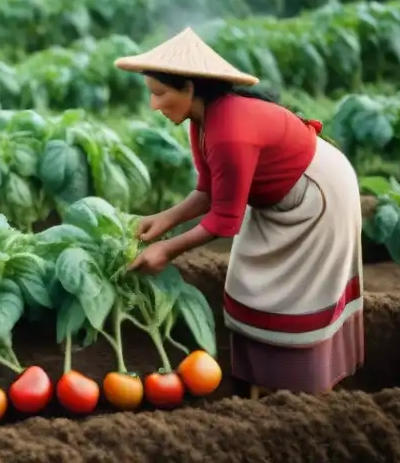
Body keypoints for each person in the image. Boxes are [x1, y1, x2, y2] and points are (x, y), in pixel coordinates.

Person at [115, 27, 363, 398]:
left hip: (318, 197)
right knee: (250, 283)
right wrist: (165, 218)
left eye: (160, 93)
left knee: (299, 296)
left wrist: (166, 250)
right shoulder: (202, 122)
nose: (154, 105)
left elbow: (225, 222)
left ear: (190, 88)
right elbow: (208, 192)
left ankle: (309, 395)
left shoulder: (229, 130)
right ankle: (260, 389)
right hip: (277, 195)